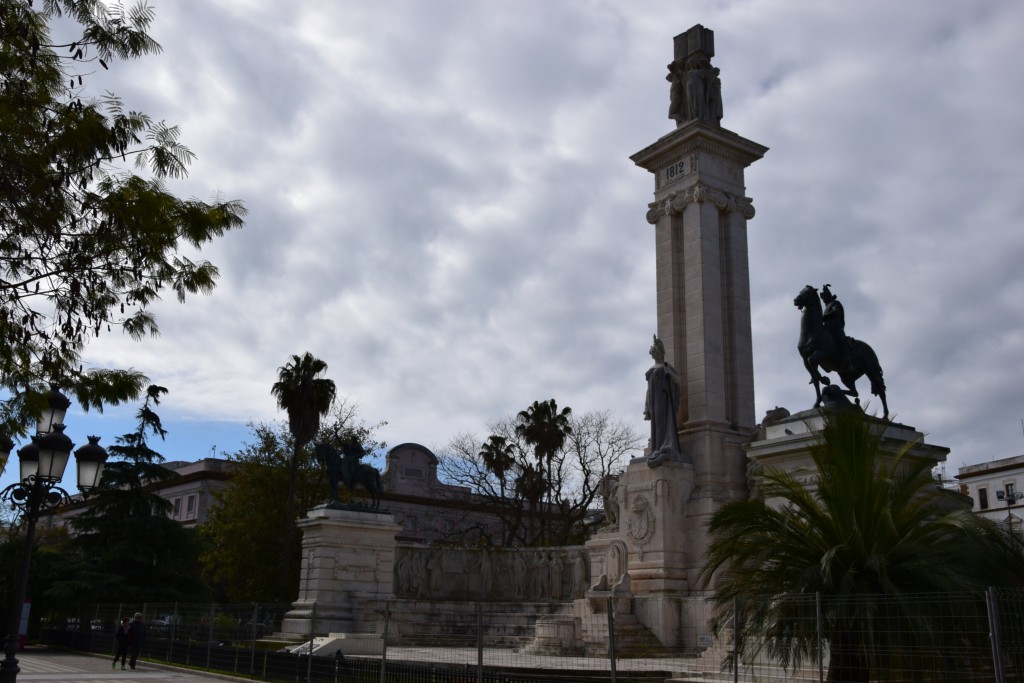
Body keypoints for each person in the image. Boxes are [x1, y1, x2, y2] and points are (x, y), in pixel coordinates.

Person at [644, 335, 683, 466]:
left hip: (663, 401)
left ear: (661, 352)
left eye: (656, 351)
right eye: (653, 352)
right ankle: (656, 448)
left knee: (662, 424)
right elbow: (648, 390)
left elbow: (677, 381)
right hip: (653, 400)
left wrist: (669, 373)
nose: (654, 354)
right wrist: (646, 408)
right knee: (655, 425)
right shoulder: (651, 370)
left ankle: (662, 446)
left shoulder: (666, 366)